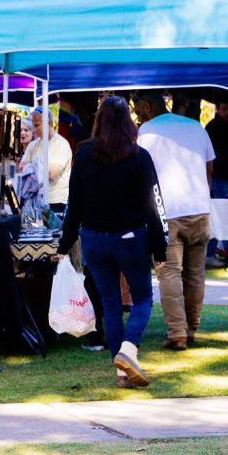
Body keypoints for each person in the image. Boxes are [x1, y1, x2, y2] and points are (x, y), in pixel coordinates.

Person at [56, 96, 166, 389]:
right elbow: (153, 206)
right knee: (142, 298)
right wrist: (160, 248)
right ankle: (129, 350)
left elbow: (74, 203)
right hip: (131, 238)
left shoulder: (82, 153)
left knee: (110, 305)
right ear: (128, 122)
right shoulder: (139, 156)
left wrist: (64, 244)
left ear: (98, 120)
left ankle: (121, 371)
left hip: (93, 237)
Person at [135, 91, 215, 350]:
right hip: (200, 209)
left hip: (167, 210)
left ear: (147, 106)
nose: (136, 116)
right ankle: (191, 326)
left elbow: (141, 171)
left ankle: (177, 332)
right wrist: (202, 195)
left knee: (169, 271)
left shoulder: (147, 131)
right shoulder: (195, 127)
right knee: (195, 273)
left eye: (138, 110)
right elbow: (209, 168)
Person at [205, 96, 228, 267]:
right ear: (217, 108)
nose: (227, 112)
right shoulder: (212, 127)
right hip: (219, 176)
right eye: (224, 109)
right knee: (219, 214)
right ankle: (211, 252)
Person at [23, 106, 73, 213]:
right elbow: (21, 168)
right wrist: (38, 168)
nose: (34, 129)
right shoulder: (33, 145)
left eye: (37, 125)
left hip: (56, 201)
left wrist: (32, 167)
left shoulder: (61, 144)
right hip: (36, 200)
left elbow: (51, 173)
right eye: (33, 125)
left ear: (49, 123)